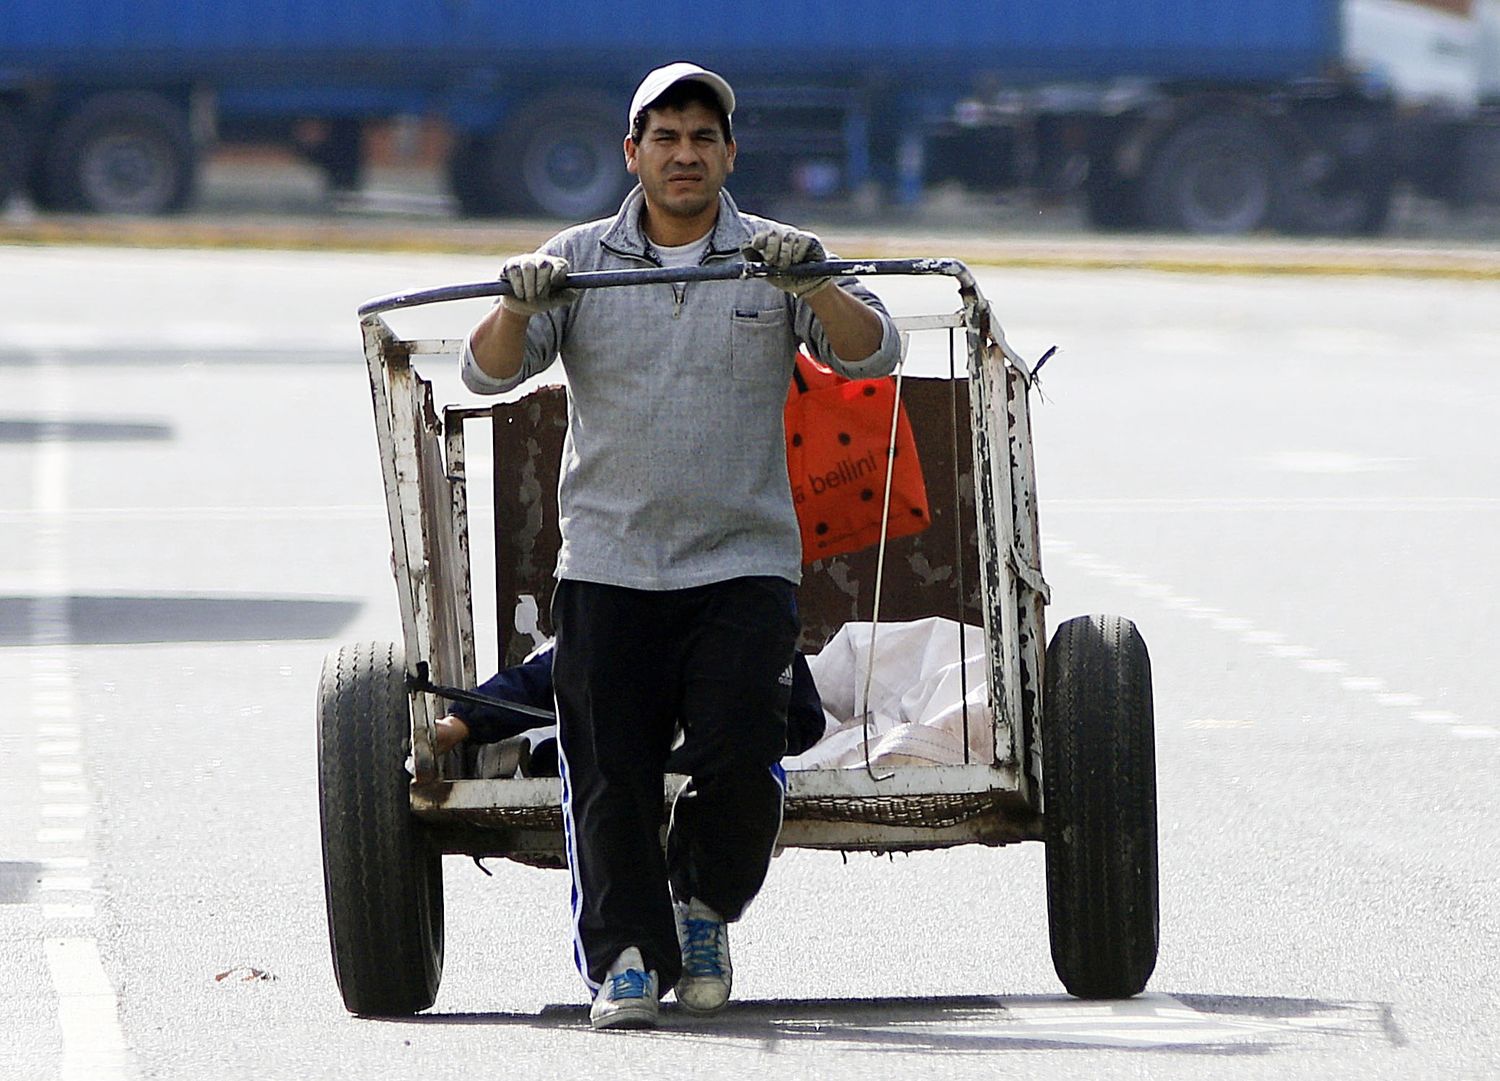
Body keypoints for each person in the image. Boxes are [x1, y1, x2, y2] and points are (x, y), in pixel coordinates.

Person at [460, 60, 900, 1030]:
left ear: (730, 154)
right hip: (610, 568)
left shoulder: (778, 253)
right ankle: (622, 958)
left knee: (744, 750)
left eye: (704, 137)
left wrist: (816, 288)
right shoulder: (577, 257)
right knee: (606, 773)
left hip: (742, 564)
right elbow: (485, 373)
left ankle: (703, 905)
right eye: (666, 137)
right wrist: (519, 306)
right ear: (633, 153)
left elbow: (873, 351)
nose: (686, 154)